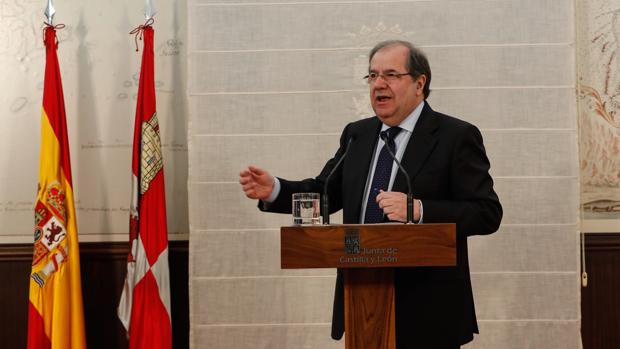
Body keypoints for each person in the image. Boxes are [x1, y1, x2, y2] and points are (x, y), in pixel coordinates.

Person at [239, 40, 502, 349]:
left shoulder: (455, 136)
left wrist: (418, 210)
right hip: (361, 299)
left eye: (391, 74)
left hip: (429, 306)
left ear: (420, 83)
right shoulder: (358, 134)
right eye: (372, 75)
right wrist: (277, 191)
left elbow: (486, 213)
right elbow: (327, 193)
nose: (379, 84)